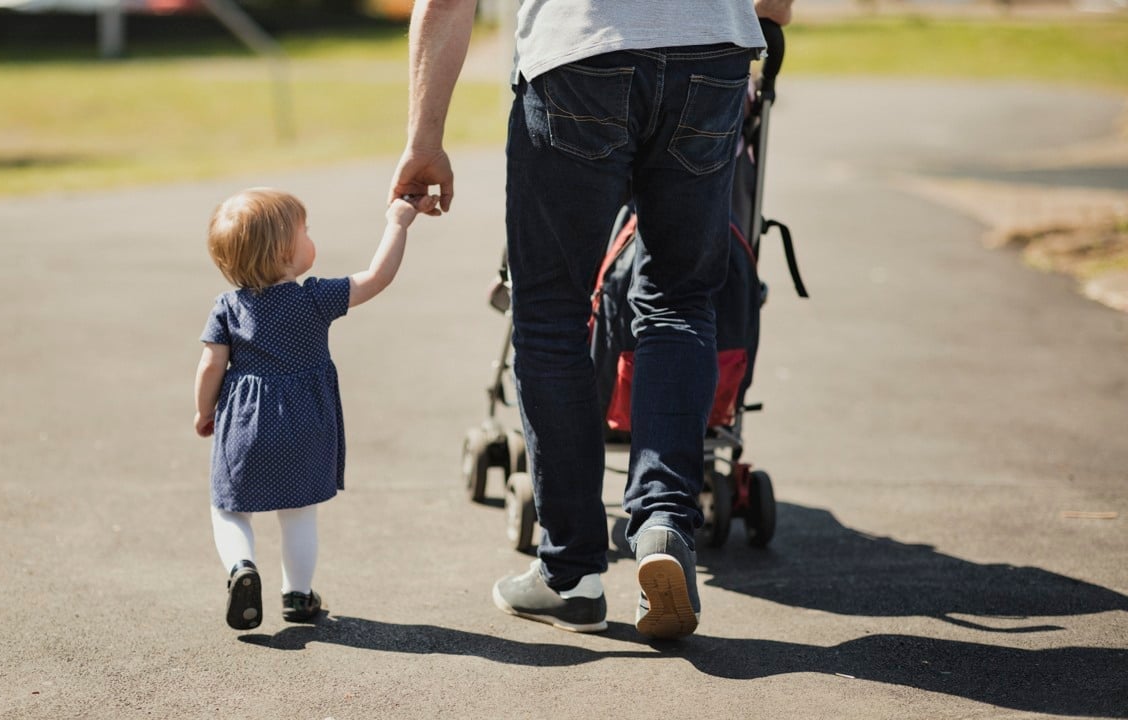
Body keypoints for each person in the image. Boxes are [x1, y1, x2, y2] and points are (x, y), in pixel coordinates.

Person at [391, 0, 789, 640]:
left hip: (583, 49)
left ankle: (572, 573)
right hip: (712, 53)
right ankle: (663, 520)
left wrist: (423, 139)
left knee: (551, 316)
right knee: (680, 302)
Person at [194, 188, 436, 630]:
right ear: (287, 252)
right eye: (306, 232)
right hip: (307, 422)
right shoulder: (315, 298)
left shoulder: (228, 308)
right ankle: (298, 595)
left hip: (245, 424)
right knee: (299, 510)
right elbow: (378, 277)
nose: (311, 238)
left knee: (229, 509)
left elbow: (211, 364)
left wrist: (203, 411)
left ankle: (242, 568)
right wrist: (398, 223)